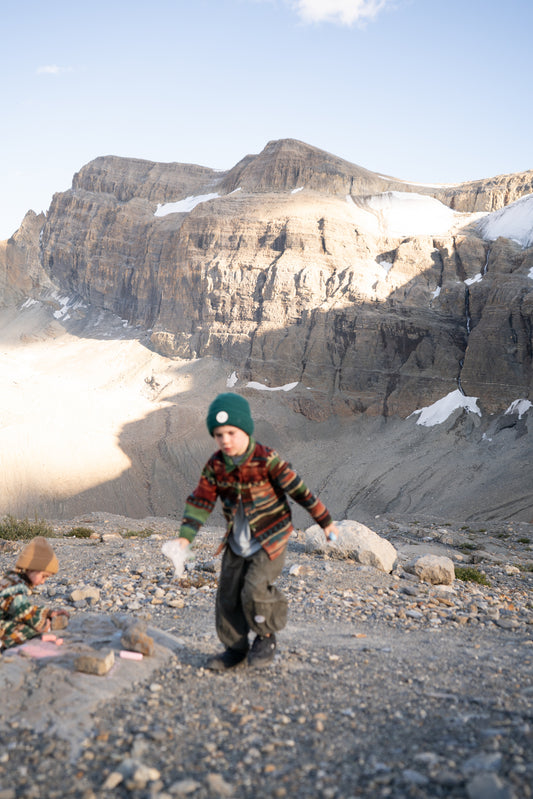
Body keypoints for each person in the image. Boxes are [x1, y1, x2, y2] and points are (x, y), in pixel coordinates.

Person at [175, 392, 338, 671]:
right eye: (218, 435)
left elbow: (298, 490)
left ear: (245, 430)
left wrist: (325, 521)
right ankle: (235, 649)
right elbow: (201, 500)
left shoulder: (266, 459)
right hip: (236, 542)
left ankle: (266, 636)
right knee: (228, 594)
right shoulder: (216, 465)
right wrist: (185, 536)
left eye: (231, 433)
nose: (225, 440)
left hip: (269, 539)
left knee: (254, 589)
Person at [0, 536, 69, 653]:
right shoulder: (16, 588)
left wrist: (48, 613)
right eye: (43, 576)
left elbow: (25, 608)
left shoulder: (13, 578)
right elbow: (25, 613)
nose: (43, 582)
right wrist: (44, 626)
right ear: (30, 569)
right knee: (26, 629)